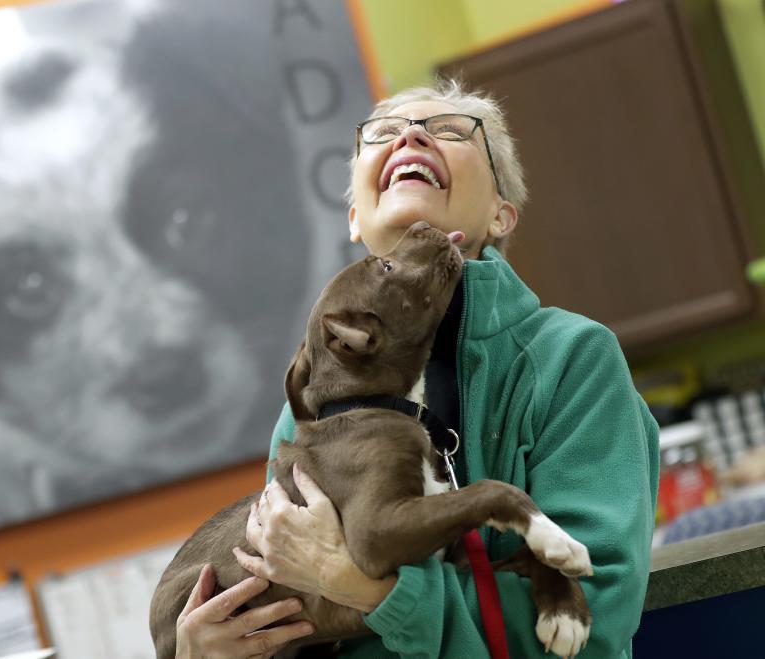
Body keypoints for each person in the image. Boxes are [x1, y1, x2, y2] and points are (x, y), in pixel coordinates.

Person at [174, 78, 660, 658]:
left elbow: (596, 623)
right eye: (383, 134)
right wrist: (200, 651)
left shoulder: (571, 358)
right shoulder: (315, 399)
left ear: (501, 216)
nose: (410, 136)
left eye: (450, 132)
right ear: (355, 218)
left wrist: (371, 591)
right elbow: (288, 605)